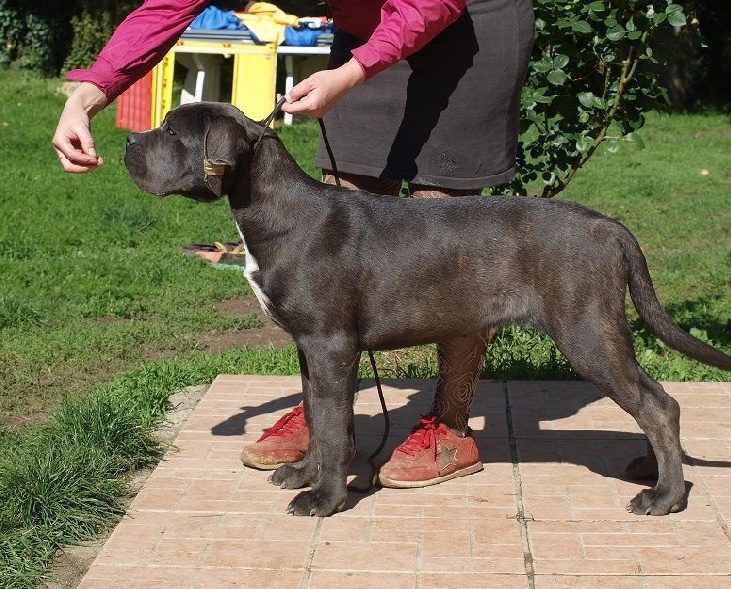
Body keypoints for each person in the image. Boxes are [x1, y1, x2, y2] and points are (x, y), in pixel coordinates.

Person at [52, 0, 535, 489]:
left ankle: (450, 425)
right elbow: (167, 8)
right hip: (365, 35)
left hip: (464, 34)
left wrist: (350, 74)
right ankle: (326, 427)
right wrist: (84, 99)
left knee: (449, 249)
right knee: (332, 241)